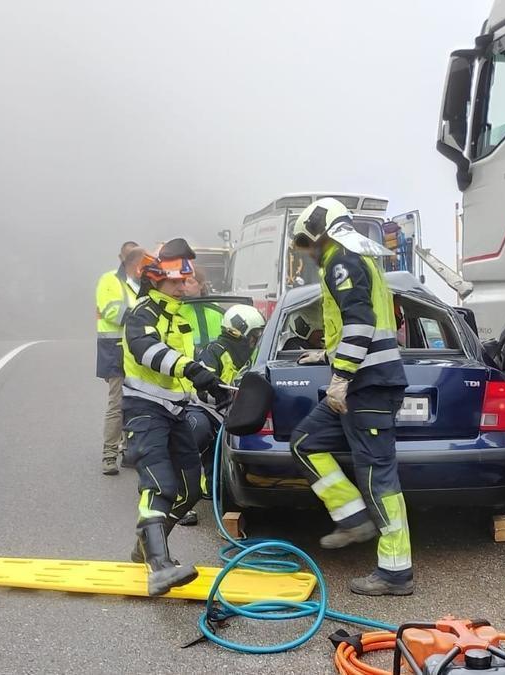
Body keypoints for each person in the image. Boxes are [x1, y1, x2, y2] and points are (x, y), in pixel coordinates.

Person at [286, 197, 414, 596]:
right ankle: (352, 517)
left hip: (366, 386)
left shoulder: (342, 258)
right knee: (305, 443)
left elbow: (361, 322)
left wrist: (340, 375)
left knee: (379, 479)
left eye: (306, 243)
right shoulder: (353, 258)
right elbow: (357, 327)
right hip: (362, 383)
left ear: (316, 232)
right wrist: (328, 353)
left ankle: (395, 573)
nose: (306, 252)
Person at [120, 238, 231, 596]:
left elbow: (183, 372)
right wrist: (192, 367)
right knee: (159, 485)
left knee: (187, 489)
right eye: (178, 282)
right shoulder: (142, 313)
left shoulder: (177, 316)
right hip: (144, 412)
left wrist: (210, 388)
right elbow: (146, 350)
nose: (185, 287)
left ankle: (144, 547)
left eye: (186, 281)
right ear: (157, 279)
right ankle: (159, 567)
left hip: (176, 411)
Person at [177, 303, 265, 526]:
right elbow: (202, 389)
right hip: (205, 411)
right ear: (240, 330)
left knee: (220, 482)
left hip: (233, 414)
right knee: (197, 429)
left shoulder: (254, 355)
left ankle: (211, 486)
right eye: (254, 335)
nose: (256, 340)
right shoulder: (214, 351)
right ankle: (175, 494)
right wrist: (226, 398)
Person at [95, 242, 145, 475]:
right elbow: (111, 310)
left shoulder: (140, 281)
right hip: (114, 348)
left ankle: (129, 451)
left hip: (135, 349)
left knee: (134, 401)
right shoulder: (110, 280)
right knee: (117, 403)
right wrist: (142, 319)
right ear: (122, 258)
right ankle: (109, 455)